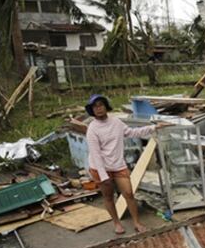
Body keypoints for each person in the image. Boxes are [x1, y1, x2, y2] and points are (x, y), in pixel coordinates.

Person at [70, 94, 164, 234]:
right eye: (95, 107)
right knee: (108, 196)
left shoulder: (116, 122)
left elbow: (131, 132)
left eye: (101, 105)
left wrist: (153, 128)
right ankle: (117, 223)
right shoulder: (93, 129)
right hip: (100, 167)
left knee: (128, 193)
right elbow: (96, 154)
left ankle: (137, 223)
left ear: (106, 106)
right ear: (92, 110)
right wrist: (103, 176)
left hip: (118, 164)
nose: (99, 109)